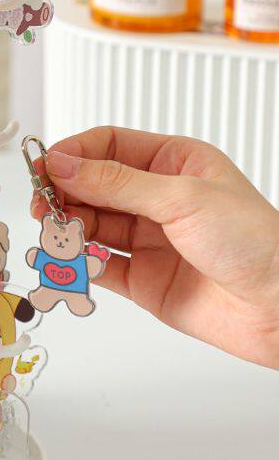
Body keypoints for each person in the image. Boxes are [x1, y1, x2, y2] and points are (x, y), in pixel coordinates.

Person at [30, 126, 279, 371]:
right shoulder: (54, 253)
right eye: (57, 239)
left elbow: (88, 264)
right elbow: (36, 258)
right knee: (47, 293)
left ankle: (76, 301)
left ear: (75, 232)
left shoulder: (78, 254)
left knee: (77, 298)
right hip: (52, 285)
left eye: (65, 239)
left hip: (76, 290)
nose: (60, 243)